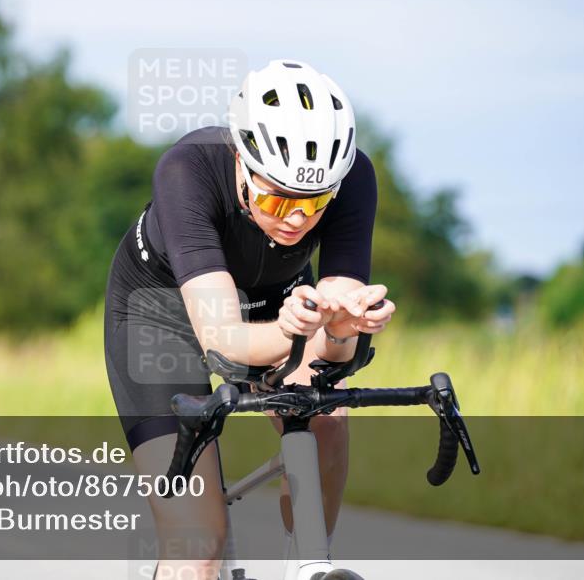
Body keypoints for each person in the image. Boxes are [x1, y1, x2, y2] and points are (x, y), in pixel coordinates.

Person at [104, 59, 396, 579]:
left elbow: (335, 351)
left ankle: (309, 557)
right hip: (159, 312)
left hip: (270, 299)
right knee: (198, 545)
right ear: (241, 159)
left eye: (315, 202)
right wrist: (290, 332)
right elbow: (225, 341)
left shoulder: (353, 179)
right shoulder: (187, 169)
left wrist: (344, 327)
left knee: (326, 417)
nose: (296, 220)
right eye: (276, 196)